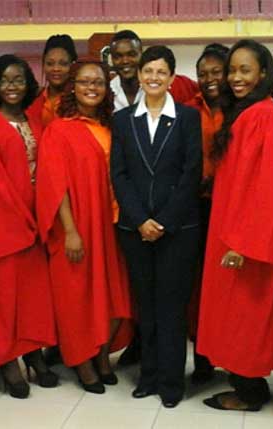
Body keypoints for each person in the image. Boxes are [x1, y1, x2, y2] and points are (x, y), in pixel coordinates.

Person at [196, 40, 273, 412]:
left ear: (263, 73)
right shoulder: (244, 111)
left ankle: (250, 393)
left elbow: (264, 185)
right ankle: (246, 385)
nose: (236, 77)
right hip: (228, 226)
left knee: (244, 316)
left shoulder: (262, 115)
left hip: (244, 237)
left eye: (245, 70)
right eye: (232, 70)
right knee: (231, 313)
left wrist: (243, 243)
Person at [111, 45, 203, 408]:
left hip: (178, 230)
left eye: (161, 72)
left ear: (171, 77)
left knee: (171, 308)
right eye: (148, 71)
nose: (153, 77)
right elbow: (119, 174)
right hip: (135, 230)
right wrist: (140, 220)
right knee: (145, 308)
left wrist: (163, 220)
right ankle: (147, 377)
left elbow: (191, 172)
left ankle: (171, 383)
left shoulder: (187, 117)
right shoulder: (122, 120)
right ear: (139, 75)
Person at [36, 60, 132, 395]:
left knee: (114, 295)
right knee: (77, 297)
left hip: (112, 224)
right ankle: (82, 362)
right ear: (72, 87)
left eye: (99, 82)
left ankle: (103, 356)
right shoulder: (59, 130)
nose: (92, 87)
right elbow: (54, 184)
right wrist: (70, 230)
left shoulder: (112, 127)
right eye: (85, 82)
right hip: (78, 224)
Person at [0, 54, 58, 398]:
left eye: (19, 80)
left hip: (37, 223)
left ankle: (33, 354)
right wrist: (23, 218)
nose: (12, 86)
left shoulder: (34, 122)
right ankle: (8, 362)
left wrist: (43, 216)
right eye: (5, 80)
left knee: (33, 297)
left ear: (28, 84)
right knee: (4, 299)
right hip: (6, 227)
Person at [184, 42, 229, 384]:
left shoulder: (241, 110)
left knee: (225, 284)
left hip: (228, 207)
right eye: (203, 73)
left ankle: (229, 355)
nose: (209, 78)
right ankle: (202, 357)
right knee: (197, 284)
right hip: (194, 205)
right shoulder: (188, 109)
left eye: (216, 72)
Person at [109, 30, 198, 113]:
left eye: (132, 54)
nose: (125, 61)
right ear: (112, 59)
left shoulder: (175, 84)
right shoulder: (107, 91)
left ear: (141, 54)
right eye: (118, 56)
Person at [26, 34, 77, 129]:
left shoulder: (80, 100)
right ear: (43, 65)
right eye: (50, 64)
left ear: (73, 66)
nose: (56, 69)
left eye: (63, 64)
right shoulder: (33, 99)